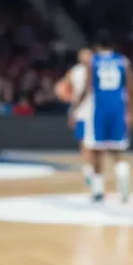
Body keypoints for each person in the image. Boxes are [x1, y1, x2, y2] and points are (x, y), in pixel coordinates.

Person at [73, 30, 133, 203]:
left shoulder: (92, 62)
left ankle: (98, 190)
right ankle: (123, 180)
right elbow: (131, 89)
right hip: (118, 109)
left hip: (99, 109)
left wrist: (75, 107)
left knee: (96, 151)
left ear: (96, 46)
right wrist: (131, 111)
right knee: (118, 151)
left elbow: (88, 87)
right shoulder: (123, 61)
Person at [57, 48, 95, 186]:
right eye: (83, 56)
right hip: (81, 112)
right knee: (84, 143)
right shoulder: (75, 71)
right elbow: (62, 87)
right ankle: (87, 171)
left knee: (96, 145)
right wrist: (65, 96)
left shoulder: (98, 70)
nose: (85, 58)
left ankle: (95, 171)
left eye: (88, 55)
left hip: (96, 112)